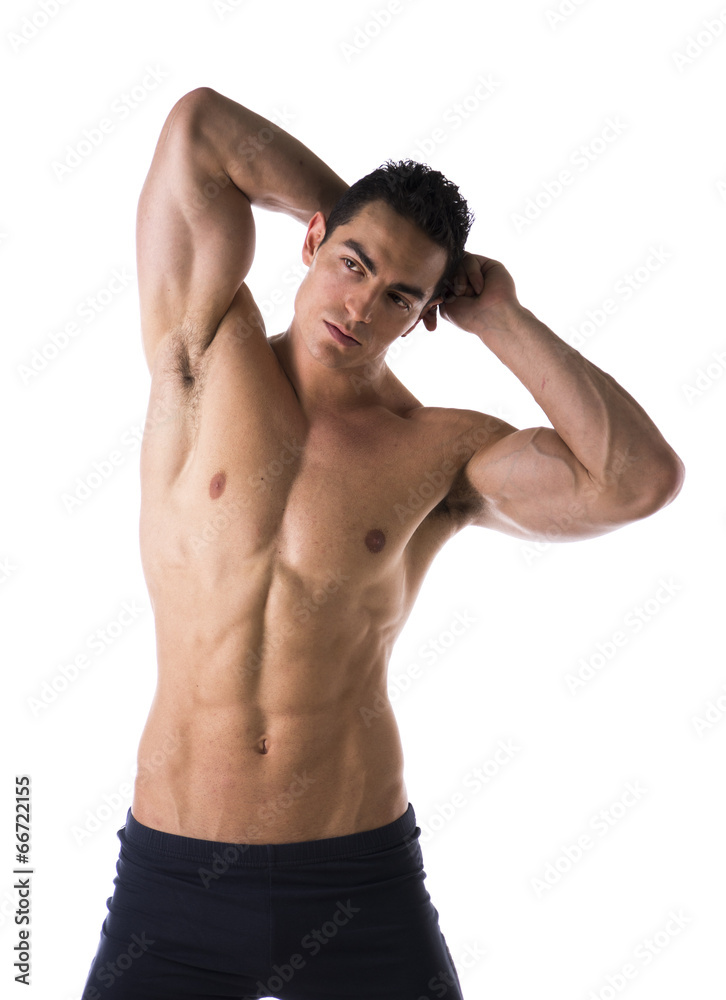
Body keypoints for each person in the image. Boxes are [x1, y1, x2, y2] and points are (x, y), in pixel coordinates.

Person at [81, 87, 684, 1000]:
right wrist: (371, 214)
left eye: (401, 295)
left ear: (422, 314)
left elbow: (636, 481)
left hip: (355, 884)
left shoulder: (436, 450)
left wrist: (496, 312)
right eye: (353, 264)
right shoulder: (201, 345)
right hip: (174, 883)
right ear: (312, 238)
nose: (362, 306)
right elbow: (199, 128)